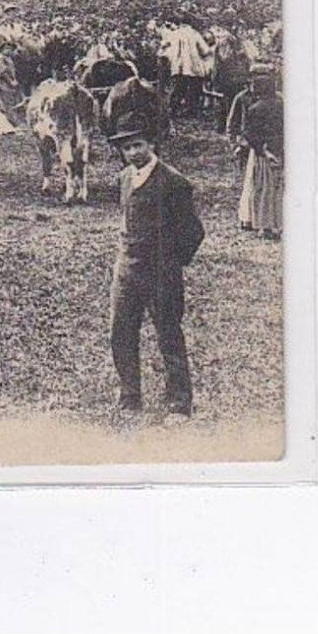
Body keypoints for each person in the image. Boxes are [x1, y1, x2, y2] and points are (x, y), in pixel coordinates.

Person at [107, 113, 206, 418]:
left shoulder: (174, 182)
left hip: (160, 274)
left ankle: (179, 401)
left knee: (168, 334)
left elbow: (193, 231)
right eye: (127, 148)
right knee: (121, 332)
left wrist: (170, 263)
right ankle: (130, 397)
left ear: (152, 144)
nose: (133, 152)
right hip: (127, 270)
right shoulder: (124, 178)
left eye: (138, 145)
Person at [232, 65, 283, 239]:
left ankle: (262, 223)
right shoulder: (281, 104)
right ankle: (276, 223)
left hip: (261, 153)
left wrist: (262, 150)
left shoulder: (256, 108)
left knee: (260, 188)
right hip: (275, 151)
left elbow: (250, 133)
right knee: (275, 188)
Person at [0, 41, 24, 135]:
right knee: (6, 105)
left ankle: (4, 127)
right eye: (7, 49)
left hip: (4, 85)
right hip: (2, 85)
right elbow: (2, 72)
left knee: (3, 105)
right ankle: (11, 126)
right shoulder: (1, 59)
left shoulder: (6, 58)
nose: (9, 51)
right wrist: (11, 82)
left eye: (10, 49)